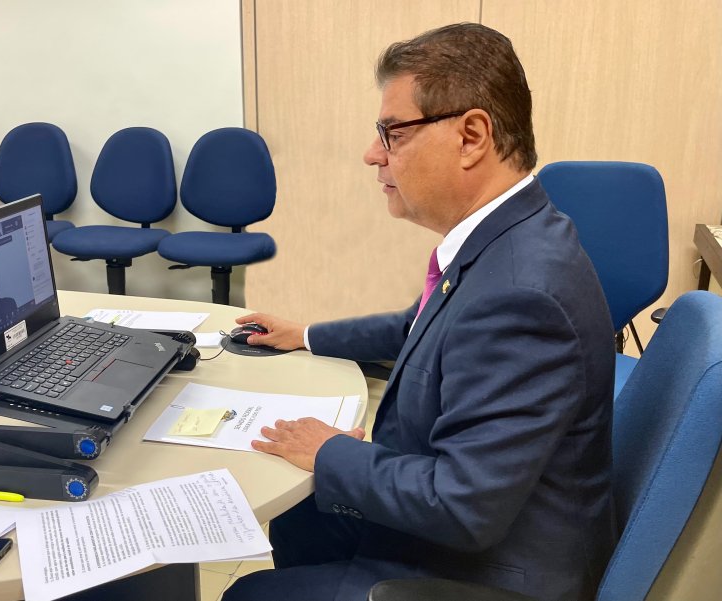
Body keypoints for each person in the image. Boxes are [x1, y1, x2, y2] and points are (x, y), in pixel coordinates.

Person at [223, 23, 616, 601]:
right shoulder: (510, 235)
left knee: (248, 594)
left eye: (393, 133)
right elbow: (416, 326)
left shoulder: (520, 295)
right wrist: (305, 335)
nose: (373, 154)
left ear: (471, 136)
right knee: (299, 517)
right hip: (486, 517)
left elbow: (463, 505)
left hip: (492, 569)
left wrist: (329, 450)